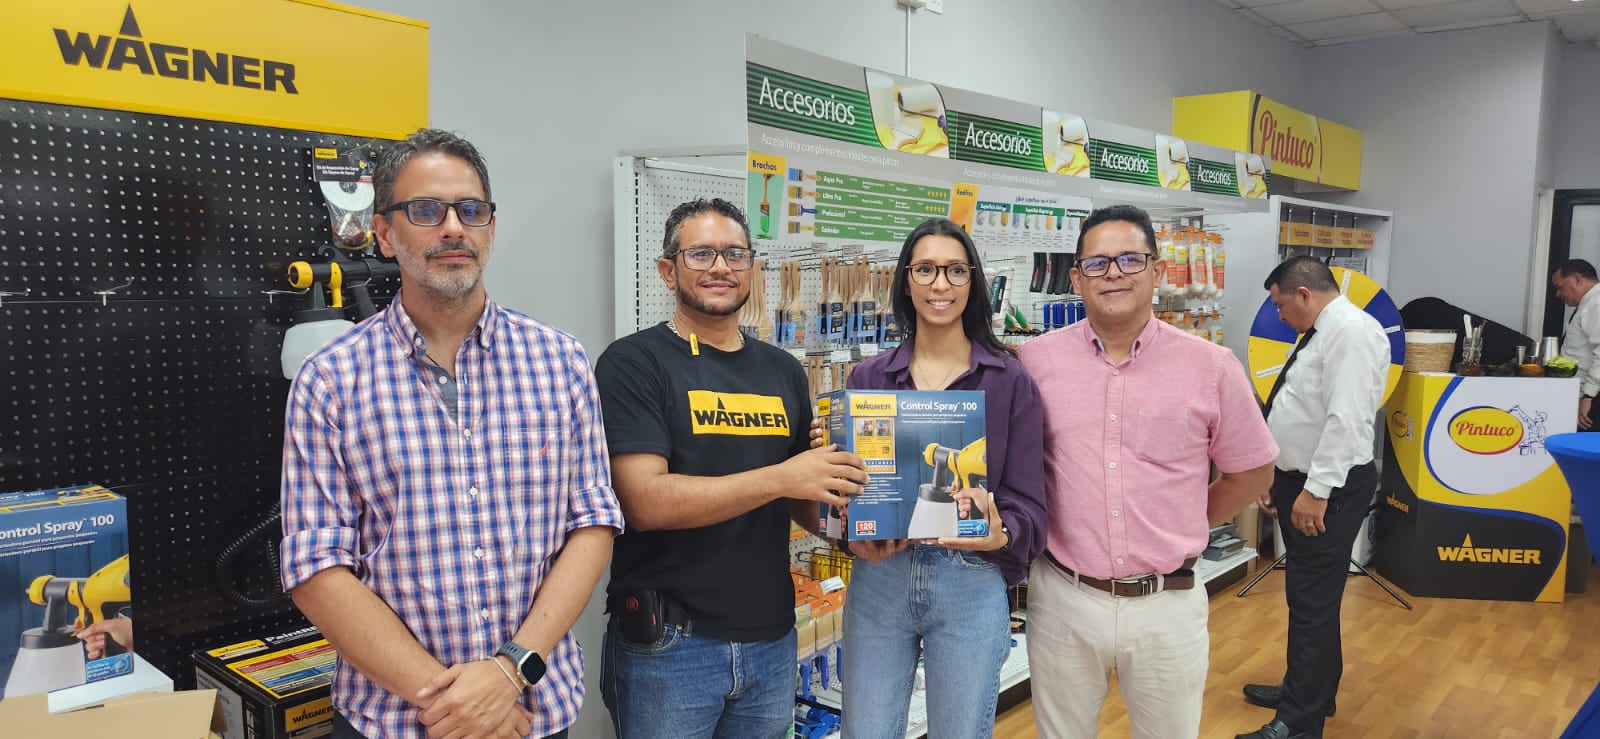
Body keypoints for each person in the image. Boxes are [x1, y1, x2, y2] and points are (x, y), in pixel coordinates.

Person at [280, 128, 624, 739]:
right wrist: (458, 704)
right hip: (397, 719)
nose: (453, 228)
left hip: (531, 711)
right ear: (384, 233)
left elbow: (593, 524)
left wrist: (509, 671)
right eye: (425, 211)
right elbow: (316, 567)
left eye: (471, 210)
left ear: (490, 226)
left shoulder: (559, 361)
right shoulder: (329, 379)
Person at [594, 197, 868, 739]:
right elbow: (645, 502)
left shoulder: (783, 371)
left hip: (773, 638)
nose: (720, 267)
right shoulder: (633, 363)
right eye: (701, 254)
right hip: (672, 645)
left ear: (751, 268)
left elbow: (801, 500)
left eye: (734, 254)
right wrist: (783, 476)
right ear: (667, 270)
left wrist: (857, 521)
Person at [1018, 205, 1277, 739]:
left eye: (1130, 260)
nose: (1113, 273)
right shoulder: (1033, 362)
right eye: (1097, 263)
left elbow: (1253, 473)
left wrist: (1187, 520)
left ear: (1157, 271)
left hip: (1167, 605)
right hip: (1064, 598)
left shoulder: (1211, 366)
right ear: (1076, 279)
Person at [827, 217, 1047, 739]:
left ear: (973, 281)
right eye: (925, 269)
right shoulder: (869, 377)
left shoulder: (1009, 380)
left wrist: (1002, 533)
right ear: (906, 281)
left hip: (970, 580)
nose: (940, 284)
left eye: (955, 270)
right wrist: (848, 523)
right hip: (880, 579)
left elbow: (1032, 506)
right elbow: (843, 494)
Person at [1235, 256, 1391, 739]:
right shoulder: (1321, 332)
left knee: (1312, 602)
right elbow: (1299, 408)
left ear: (1304, 294)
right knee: (1309, 598)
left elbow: (1347, 421)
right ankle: (1310, 691)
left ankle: (1299, 722)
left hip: (1327, 488)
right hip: (1298, 480)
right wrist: (1273, 474)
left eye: (1281, 306)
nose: (1279, 316)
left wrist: (1315, 492)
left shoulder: (1351, 333)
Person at [1552, 259, 1600, 431]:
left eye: (1560, 287)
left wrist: (1588, 396)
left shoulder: (1596, 303)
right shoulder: (1588, 303)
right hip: (1582, 394)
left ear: (1578, 279)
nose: (1558, 294)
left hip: (1592, 398)